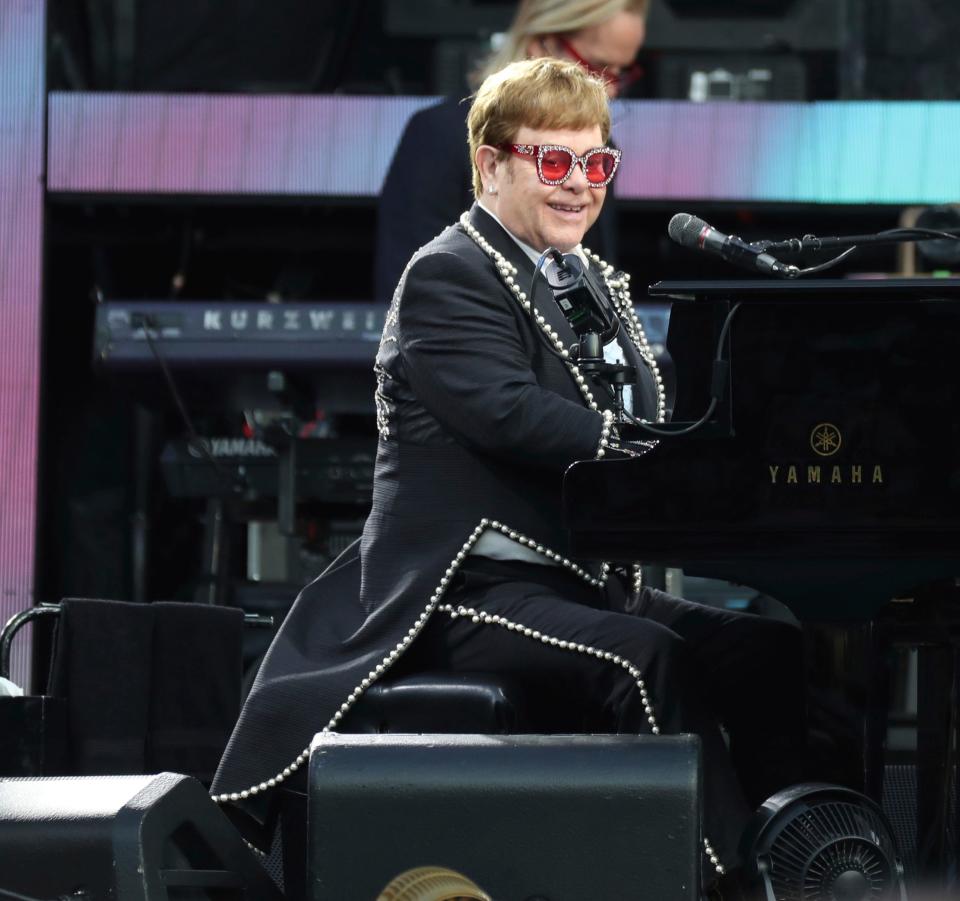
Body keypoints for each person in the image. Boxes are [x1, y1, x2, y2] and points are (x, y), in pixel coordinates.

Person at [212, 57, 805, 893]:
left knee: (764, 647)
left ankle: (814, 846)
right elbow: (508, 410)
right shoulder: (447, 272)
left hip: (580, 582)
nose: (579, 185)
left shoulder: (594, 279)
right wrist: (656, 448)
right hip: (461, 586)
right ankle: (742, 881)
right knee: (648, 656)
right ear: (490, 163)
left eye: (596, 163)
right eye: (553, 162)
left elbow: (663, 403)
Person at [373, 0, 649, 302]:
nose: (609, 90)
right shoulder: (438, 135)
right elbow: (408, 291)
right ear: (541, 45)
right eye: (598, 68)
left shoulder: (602, 150)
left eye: (622, 74)